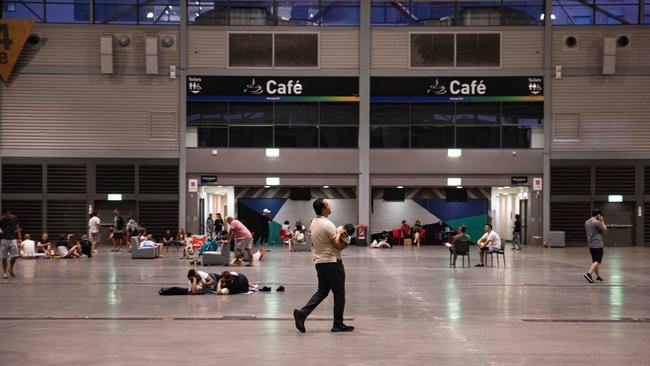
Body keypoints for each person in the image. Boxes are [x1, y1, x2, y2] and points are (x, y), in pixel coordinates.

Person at [293, 198, 354, 333]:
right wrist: (347, 238)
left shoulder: (314, 223)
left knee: (322, 292)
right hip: (332, 263)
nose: (330, 205)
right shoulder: (328, 225)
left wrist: (338, 232)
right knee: (339, 294)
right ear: (323, 209)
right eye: (327, 204)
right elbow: (338, 245)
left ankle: (302, 314)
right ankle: (338, 324)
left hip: (320, 262)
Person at [584, 209, 607, 283]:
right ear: (598, 215)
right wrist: (602, 221)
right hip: (598, 244)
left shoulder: (587, 222)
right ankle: (589, 274)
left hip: (591, 244)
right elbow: (605, 230)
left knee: (594, 261)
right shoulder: (596, 222)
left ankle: (598, 277)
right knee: (598, 261)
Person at [1, 208, 21, 279]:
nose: (8, 215)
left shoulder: (14, 218)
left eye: (9, 213)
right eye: (6, 213)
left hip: (13, 239)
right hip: (4, 239)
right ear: (4, 214)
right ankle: (5, 273)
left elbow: (18, 227)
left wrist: (19, 238)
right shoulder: (1, 220)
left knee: (15, 256)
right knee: (4, 257)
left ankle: (11, 269)